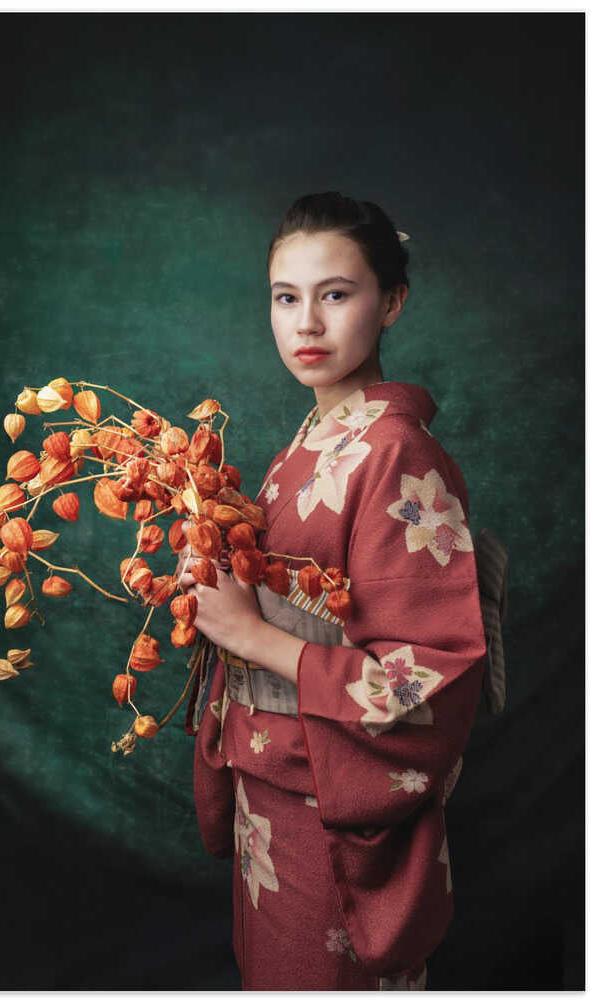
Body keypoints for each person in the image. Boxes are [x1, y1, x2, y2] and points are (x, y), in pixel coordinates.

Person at [177, 192, 488, 990]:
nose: (305, 324)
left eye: (336, 294)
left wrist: (251, 636)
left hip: (330, 800)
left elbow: (429, 673)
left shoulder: (395, 454)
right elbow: (270, 600)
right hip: (270, 794)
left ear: (391, 302)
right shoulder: (303, 448)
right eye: (286, 298)